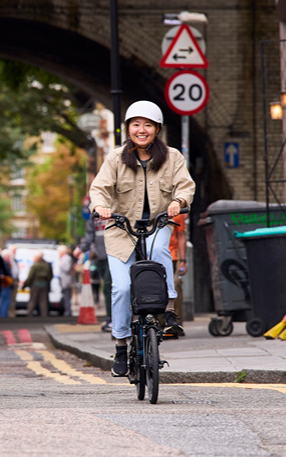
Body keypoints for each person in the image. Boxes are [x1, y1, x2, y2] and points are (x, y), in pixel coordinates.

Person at [88, 100, 195, 377]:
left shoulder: (172, 157)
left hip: (158, 223)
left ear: (157, 129)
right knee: (121, 288)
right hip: (121, 229)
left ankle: (169, 307)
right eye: (136, 124)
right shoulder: (115, 158)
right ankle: (122, 344)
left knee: (160, 249)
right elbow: (99, 188)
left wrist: (178, 201)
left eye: (148, 125)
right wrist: (100, 207)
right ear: (128, 129)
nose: (141, 130)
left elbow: (185, 185)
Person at [75, 213, 112, 331]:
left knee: (109, 285)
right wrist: (81, 248)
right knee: (107, 288)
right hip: (101, 256)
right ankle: (111, 318)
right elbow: (90, 234)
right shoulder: (95, 213)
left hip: (115, 255)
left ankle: (113, 319)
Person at [157, 213, 188, 336]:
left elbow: (181, 235)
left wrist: (183, 261)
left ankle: (175, 323)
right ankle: (158, 324)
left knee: (174, 285)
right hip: (149, 256)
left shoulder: (175, 210)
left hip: (171, 256)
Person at [21, 250, 52, 317]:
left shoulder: (34, 266)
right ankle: (44, 315)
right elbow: (50, 276)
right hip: (44, 284)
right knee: (43, 301)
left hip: (35, 284)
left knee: (32, 300)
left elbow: (30, 277)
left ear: (37, 258)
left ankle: (30, 314)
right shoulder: (46, 266)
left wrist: (25, 285)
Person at [0, 250, 15, 317]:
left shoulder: (6, 263)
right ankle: (3, 315)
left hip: (6, 285)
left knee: (5, 301)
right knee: (5, 301)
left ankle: (4, 314)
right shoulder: (4, 264)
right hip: (5, 285)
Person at [57, 245, 73, 316]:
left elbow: (67, 269)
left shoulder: (67, 258)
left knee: (67, 297)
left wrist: (61, 265)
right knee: (64, 296)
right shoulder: (63, 258)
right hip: (63, 280)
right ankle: (65, 311)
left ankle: (68, 311)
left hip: (66, 281)